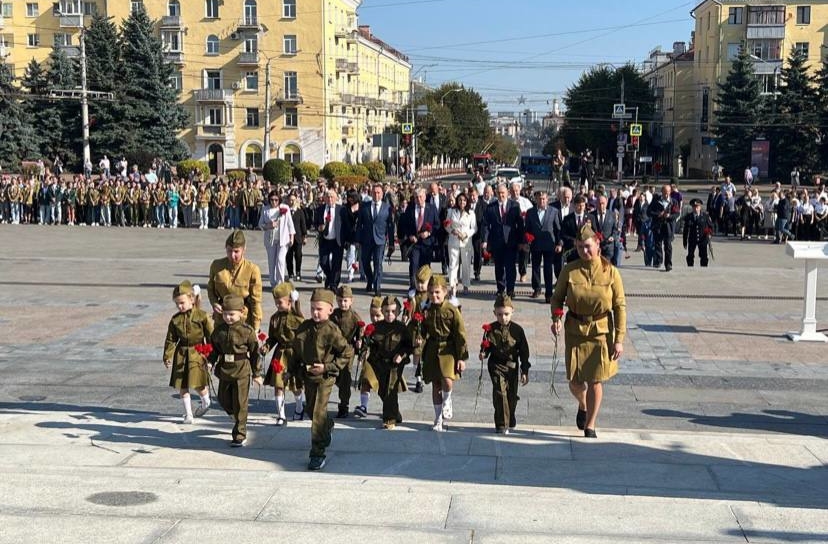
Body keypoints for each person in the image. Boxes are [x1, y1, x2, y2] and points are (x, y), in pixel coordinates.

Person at [550, 224, 626, 438]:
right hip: (575, 330)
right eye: (581, 247)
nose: (585, 251)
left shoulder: (611, 272)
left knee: (595, 379)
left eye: (588, 246)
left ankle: (590, 424)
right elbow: (557, 298)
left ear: (598, 245)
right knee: (575, 381)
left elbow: (620, 306)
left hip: (601, 333)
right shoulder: (570, 270)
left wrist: (619, 339)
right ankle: (583, 403)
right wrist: (556, 317)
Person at [287, 288, 354, 471]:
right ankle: (327, 426)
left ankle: (317, 454)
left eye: (320, 309)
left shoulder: (332, 330)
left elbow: (347, 352)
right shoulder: (304, 327)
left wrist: (328, 367)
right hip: (308, 376)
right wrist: (290, 371)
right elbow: (296, 351)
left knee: (317, 412)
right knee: (311, 410)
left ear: (330, 310)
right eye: (313, 309)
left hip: (325, 376)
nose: (315, 313)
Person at [208, 294, 262, 447]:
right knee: (223, 398)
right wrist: (210, 363)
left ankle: (239, 433)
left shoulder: (247, 331)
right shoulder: (219, 331)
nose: (228, 317)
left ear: (241, 312)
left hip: (242, 370)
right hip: (225, 369)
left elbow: (255, 353)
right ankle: (235, 416)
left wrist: (256, 373)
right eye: (225, 314)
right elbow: (214, 350)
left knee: (240, 402)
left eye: (231, 314)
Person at [419, 275, 469, 432]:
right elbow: (422, 329)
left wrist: (462, 357)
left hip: (448, 348)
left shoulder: (451, 310)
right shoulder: (426, 310)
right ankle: (438, 418)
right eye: (431, 292)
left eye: (437, 292)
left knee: (448, 379)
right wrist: (418, 336)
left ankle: (448, 400)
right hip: (433, 348)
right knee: (436, 384)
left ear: (445, 292)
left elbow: (460, 333)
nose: (434, 296)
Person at [163, 281, 214, 424]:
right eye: (177, 304)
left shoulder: (202, 316)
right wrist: (168, 355)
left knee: (198, 383)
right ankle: (188, 414)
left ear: (192, 299)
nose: (180, 306)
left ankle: (205, 401)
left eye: (182, 302)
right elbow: (171, 339)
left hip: (198, 352)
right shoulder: (175, 320)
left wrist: (211, 357)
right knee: (182, 384)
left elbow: (210, 337)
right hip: (181, 354)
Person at [479, 294, 530, 434]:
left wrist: (524, 371)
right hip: (496, 365)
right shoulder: (490, 329)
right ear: (495, 313)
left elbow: (524, 352)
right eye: (500, 314)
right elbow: (486, 345)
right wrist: (483, 353)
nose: (503, 318)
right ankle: (501, 424)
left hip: (512, 367)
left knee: (511, 395)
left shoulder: (518, 331)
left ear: (512, 312)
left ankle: (510, 415)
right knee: (500, 392)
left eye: (506, 314)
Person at [363, 296, 413, 429]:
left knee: (391, 389)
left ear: (398, 312)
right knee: (382, 390)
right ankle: (395, 412)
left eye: (393, 311)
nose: (389, 314)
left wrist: (401, 355)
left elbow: (409, 346)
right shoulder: (376, 327)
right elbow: (368, 343)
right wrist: (363, 344)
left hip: (395, 364)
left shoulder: (401, 328)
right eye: (386, 311)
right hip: (380, 363)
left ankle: (389, 419)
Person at [261, 282, 305, 426]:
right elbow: (272, 338)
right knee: (278, 385)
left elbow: (303, 339)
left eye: (280, 302)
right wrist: (266, 347)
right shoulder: (274, 318)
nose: (277, 305)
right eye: (276, 303)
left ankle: (299, 408)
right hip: (280, 355)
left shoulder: (299, 319)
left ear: (290, 301)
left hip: (294, 355)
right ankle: (281, 415)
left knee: (296, 386)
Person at [207, 230, 263, 332]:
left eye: (236, 251)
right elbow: (210, 289)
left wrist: (256, 327)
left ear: (244, 249)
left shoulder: (252, 270)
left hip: (243, 319)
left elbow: (256, 301)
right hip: (222, 318)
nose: (232, 255)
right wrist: (214, 303)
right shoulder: (216, 265)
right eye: (229, 251)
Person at [481, 183, 524, 297]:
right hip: (497, 242)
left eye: (503, 193)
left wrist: (521, 241)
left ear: (507, 193)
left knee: (510, 267)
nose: (501, 195)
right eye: (499, 193)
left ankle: (511, 289)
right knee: (499, 267)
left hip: (511, 241)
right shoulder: (491, 207)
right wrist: (485, 240)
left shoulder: (514, 205)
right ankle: (500, 288)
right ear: (496, 194)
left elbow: (519, 225)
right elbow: (485, 225)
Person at [331, 286, 364, 418]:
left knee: (345, 377)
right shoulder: (333, 315)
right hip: (334, 350)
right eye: (340, 300)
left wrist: (359, 343)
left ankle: (344, 404)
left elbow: (360, 334)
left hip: (348, 351)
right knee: (335, 376)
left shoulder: (355, 317)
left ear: (351, 301)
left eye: (345, 300)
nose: (342, 303)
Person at [398, 187, 440, 290]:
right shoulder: (410, 208)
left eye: (420, 197)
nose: (419, 199)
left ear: (425, 197)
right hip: (414, 244)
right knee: (413, 265)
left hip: (427, 243)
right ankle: (413, 288)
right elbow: (405, 225)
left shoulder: (432, 208)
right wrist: (410, 235)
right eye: (416, 197)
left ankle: (426, 288)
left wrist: (429, 233)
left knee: (425, 267)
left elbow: (437, 225)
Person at [357, 183, 395, 296]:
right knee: (365, 262)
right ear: (371, 193)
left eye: (378, 192)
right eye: (374, 192)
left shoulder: (387, 207)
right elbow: (359, 224)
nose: (376, 194)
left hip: (380, 240)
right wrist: (358, 240)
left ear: (382, 194)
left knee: (378, 263)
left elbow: (390, 226)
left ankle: (377, 287)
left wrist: (391, 243)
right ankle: (370, 279)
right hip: (366, 240)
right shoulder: (364, 206)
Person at [525, 191, 561, 302]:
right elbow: (527, 229)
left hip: (549, 244)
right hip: (535, 244)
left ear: (547, 199)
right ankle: (536, 288)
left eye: (544, 199)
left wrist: (559, 243)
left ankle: (549, 293)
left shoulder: (554, 211)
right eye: (539, 199)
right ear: (536, 199)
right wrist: (527, 242)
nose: (542, 201)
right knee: (535, 267)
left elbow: (558, 229)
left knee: (548, 268)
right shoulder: (530, 212)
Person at [259, 191, 296, 290]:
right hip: (270, 239)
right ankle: (273, 282)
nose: (274, 202)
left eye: (276, 200)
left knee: (280, 260)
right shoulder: (265, 209)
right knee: (272, 262)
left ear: (279, 200)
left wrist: (292, 237)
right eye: (272, 200)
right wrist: (268, 226)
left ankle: (280, 283)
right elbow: (260, 224)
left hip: (283, 239)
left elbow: (290, 223)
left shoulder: (285, 208)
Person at [446, 192, 476, 297]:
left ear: (467, 202)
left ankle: (466, 285)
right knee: (453, 264)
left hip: (466, 241)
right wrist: (452, 231)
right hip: (454, 241)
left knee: (466, 264)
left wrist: (466, 234)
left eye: (464, 200)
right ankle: (453, 286)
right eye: (460, 200)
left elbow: (474, 228)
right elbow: (447, 225)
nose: (462, 202)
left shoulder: (471, 213)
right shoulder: (451, 211)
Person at [315, 189, 345, 292]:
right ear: (324, 198)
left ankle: (334, 284)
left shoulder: (341, 209)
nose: (330, 199)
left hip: (337, 240)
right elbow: (315, 223)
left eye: (332, 196)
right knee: (323, 262)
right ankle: (330, 277)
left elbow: (346, 224)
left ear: (336, 198)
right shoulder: (320, 209)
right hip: (325, 240)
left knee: (337, 264)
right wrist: (319, 227)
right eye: (327, 196)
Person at [648, 184, 679, 271]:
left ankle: (668, 264)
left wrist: (669, 216)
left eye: (668, 193)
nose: (666, 195)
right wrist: (658, 214)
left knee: (668, 245)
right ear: (661, 192)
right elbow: (649, 212)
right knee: (657, 244)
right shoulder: (656, 200)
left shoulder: (674, 202)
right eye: (664, 193)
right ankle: (658, 261)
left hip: (668, 227)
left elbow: (677, 214)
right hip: (658, 226)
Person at [682, 199, 714, 267]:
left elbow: (710, 227)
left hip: (703, 239)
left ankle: (704, 268)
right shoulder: (689, 217)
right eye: (694, 207)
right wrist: (685, 241)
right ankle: (690, 267)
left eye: (697, 207)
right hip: (692, 238)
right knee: (690, 255)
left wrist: (709, 234)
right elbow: (686, 230)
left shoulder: (705, 216)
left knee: (704, 256)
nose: (696, 208)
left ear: (700, 207)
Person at [286, 193, 308, 281]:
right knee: (288, 256)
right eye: (290, 200)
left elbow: (303, 224)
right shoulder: (285, 212)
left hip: (298, 237)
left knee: (298, 255)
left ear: (296, 201)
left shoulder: (300, 211)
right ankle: (290, 273)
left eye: (293, 200)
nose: (291, 202)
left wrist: (304, 236)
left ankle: (298, 272)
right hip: (287, 238)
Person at [591, 195, 619, 262]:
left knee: (606, 267)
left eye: (603, 203)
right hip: (595, 246)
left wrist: (613, 236)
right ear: (596, 203)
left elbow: (615, 229)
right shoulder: (591, 215)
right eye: (599, 203)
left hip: (608, 246)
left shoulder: (612, 215)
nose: (601, 206)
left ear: (606, 203)